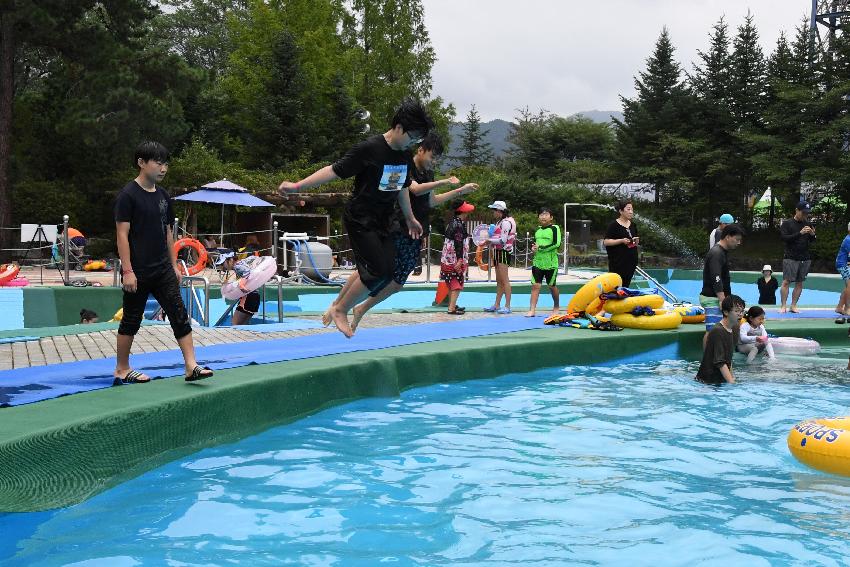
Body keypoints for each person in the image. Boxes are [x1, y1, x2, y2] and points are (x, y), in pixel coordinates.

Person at [278, 98, 432, 337]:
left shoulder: (403, 155)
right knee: (378, 270)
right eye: (412, 137)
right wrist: (298, 186)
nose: (412, 143)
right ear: (399, 127)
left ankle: (338, 306)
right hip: (361, 218)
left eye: (417, 140)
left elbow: (401, 186)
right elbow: (333, 170)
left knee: (389, 272)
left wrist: (410, 218)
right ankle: (341, 309)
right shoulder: (369, 149)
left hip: (385, 220)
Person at [348, 133, 478, 330]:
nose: (433, 162)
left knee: (396, 282)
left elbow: (432, 201)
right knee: (376, 269)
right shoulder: (405, 165)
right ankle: (341, 305)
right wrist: (445, 181)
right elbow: (415, 189)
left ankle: (359, 309)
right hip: (397, 226)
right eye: (432, 157)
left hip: (415, 234)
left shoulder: (428, 173)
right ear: (420, 150)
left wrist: (460, 190)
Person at [113, 141, 214, 384]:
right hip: (137, 270)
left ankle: (191, 366)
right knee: (132, 319)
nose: (163, 168)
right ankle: (122, 369)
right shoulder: (128, 196)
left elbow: (169, 233)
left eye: (165, 163)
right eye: (158, 162)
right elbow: (122, 235)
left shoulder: (163, 196)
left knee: (179, 313)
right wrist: (127, 271)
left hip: (162, 269)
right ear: (141, 163)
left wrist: (174, 264)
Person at [700, 223, 744, 334]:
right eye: (737, 239)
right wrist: (722, 300)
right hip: (712, 299)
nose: (739, 243)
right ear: (728, 236)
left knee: (724, 329)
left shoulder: (722, 251)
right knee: (712, 332)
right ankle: (709, 352)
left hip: (718, 298)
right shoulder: (717, 253)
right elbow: (716, 277)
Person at [696, 295, 743, 384]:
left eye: (742, 311)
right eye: (736, 311)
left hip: (720, 380)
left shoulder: (734, 328)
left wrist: (732, 378)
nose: (740, 314)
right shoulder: (718, 331)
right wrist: (732, 383)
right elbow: (720, 362)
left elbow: (728, 359)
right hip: (707, 382)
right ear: (726, 312)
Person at [779, 200, 816, 314]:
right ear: (797, 210)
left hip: (805, 257)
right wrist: (800, 233)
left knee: (799, 282)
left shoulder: (808, 224)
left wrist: (812, 234)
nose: (805, 215)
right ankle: (783, 306)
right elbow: (784, 238)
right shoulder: (787, 223)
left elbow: (813, 241)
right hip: (790, 257)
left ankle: (793, 306)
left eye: (807, 213)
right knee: (786, 281)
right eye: (803, 212)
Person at [526, 207, 561, 317]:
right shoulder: (538, 231)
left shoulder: (555, 228)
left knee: (551, 285)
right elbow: (535, 245)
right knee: (535, 286)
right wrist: (534, 249)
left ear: (551, 217)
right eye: (541, 215)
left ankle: (556, 306)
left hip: (551, 263)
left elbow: (556, 244)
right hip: (538, 262)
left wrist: (541, 248)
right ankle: (532, 310)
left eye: (546, 214)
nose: (543, 217)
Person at [441, 201, 474, 314]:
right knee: (456, 283)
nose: (468, 213)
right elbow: (458, 243)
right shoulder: (458, 225)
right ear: (462, 211)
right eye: (466, 211)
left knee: (451, 282)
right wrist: (460, 260)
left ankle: (452, 305)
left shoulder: (453, 222)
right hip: (455, 259)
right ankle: (451, 308)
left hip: (447, 259)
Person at [483, 200, 516, 314]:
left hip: (503, 252)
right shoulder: (499, 222)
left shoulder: (506, 222)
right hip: (497, 252)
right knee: (499, 280)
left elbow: (503, 240)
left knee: (504, 280)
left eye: (494, 210)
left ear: (499, 211)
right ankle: (497, 305)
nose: (493, 213)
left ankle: (507, 306)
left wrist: (489, 240)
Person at [216, 251, 260, 326]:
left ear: (230, 260)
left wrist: (241, 285)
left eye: (223, 263)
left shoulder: (237, 266)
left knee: (235, 324)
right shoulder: (242, 263)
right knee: (243, 326)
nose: (223, 266)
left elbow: (247, 272)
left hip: (248, 297)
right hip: (254, 296)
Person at [603, 200, 640, 287]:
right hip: (618, 263)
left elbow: (633, 242)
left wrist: (635, 242)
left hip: (631, 262)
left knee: (625, 287)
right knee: (615, 287)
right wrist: (621, 241)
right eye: (628, 209)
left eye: (632, 209)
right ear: (621, 211)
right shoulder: (613, 225)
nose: (631, 212)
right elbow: (606, 242)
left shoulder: (633, 225)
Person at [835, 222, 850, 323]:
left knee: (848, 286)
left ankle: (839, 307)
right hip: (843, 265)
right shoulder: (848, 240)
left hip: (845, 264)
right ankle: (847, 308)